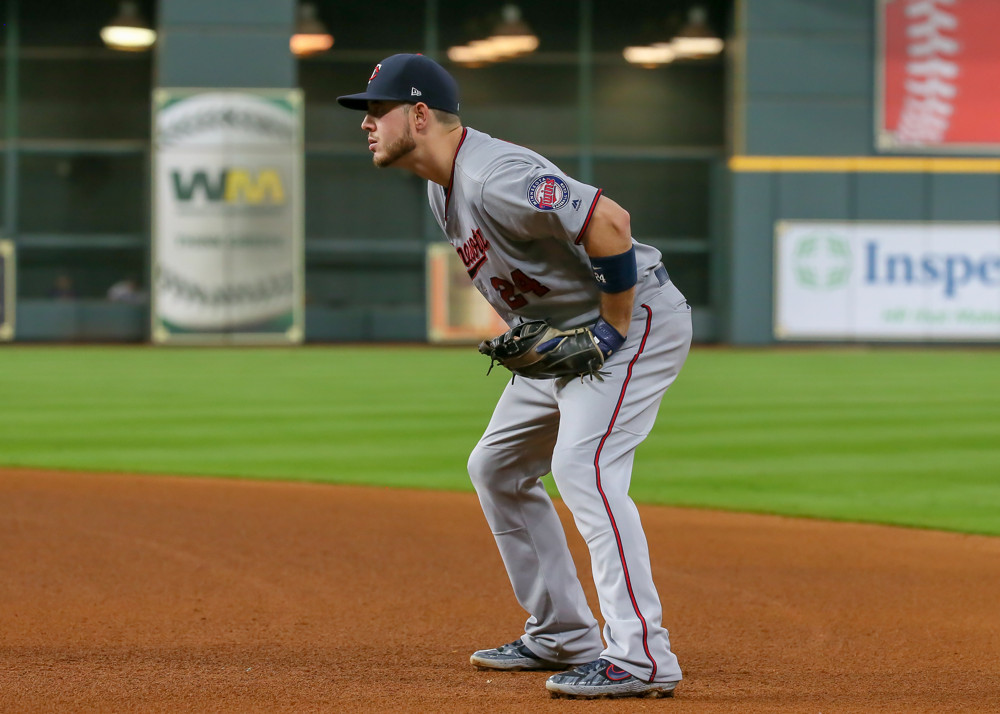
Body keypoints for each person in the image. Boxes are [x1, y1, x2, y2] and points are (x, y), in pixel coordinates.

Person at [338, 54, 692, 700]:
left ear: (419, 115)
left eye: (376, 111)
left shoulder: (495, 175)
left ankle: (642, 656)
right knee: (496, 467)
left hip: (630, 322)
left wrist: (611, 329)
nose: (366, 125)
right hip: (567, 335)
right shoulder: (438, 183)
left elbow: (610, 223)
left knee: (584, 468)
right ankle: (563, 631)